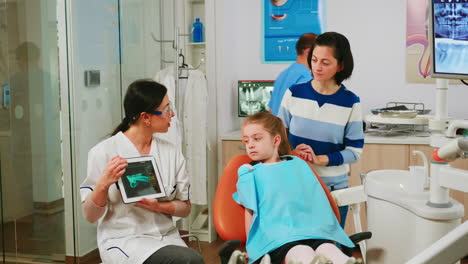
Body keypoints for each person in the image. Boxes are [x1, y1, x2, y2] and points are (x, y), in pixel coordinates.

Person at [80, 79, 204, 264]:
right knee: (189, 261)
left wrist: (158, 206)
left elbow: (185, 209)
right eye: (166, 109)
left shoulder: (171, 153)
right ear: (146, 117)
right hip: (125, 240)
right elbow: (90, 216)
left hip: (166, 237)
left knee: (188, 260)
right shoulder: (103, 152)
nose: (172, 114)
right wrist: (103, 184)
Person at [233, 112, 357, 264]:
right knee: (300, 251)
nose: (250, 144)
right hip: (277, 237)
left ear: (276, 140)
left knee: (327, 248)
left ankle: (345, 261)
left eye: (257, 139)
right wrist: (251, 247)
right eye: (246, 141)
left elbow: (314, 198)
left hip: (312, 230)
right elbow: (249, 210)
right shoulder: (250, 173)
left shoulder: (296, 164)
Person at [277, 32, 364, 228]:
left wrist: (320, 159)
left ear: (340, 65)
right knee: (297, 249)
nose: (317, 66)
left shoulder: (350, 102)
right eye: (314, 60)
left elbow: (355, 152)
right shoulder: (294, 93)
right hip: (295, 184)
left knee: (328, 249)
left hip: (333, 189)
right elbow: (277, 137)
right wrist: (292, 153)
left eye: (325, 62)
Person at [268, 33, 318, 115]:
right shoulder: (304, 78)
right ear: (308, 52)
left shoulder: (283, 74)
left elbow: (271, 109)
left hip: (276, 125)